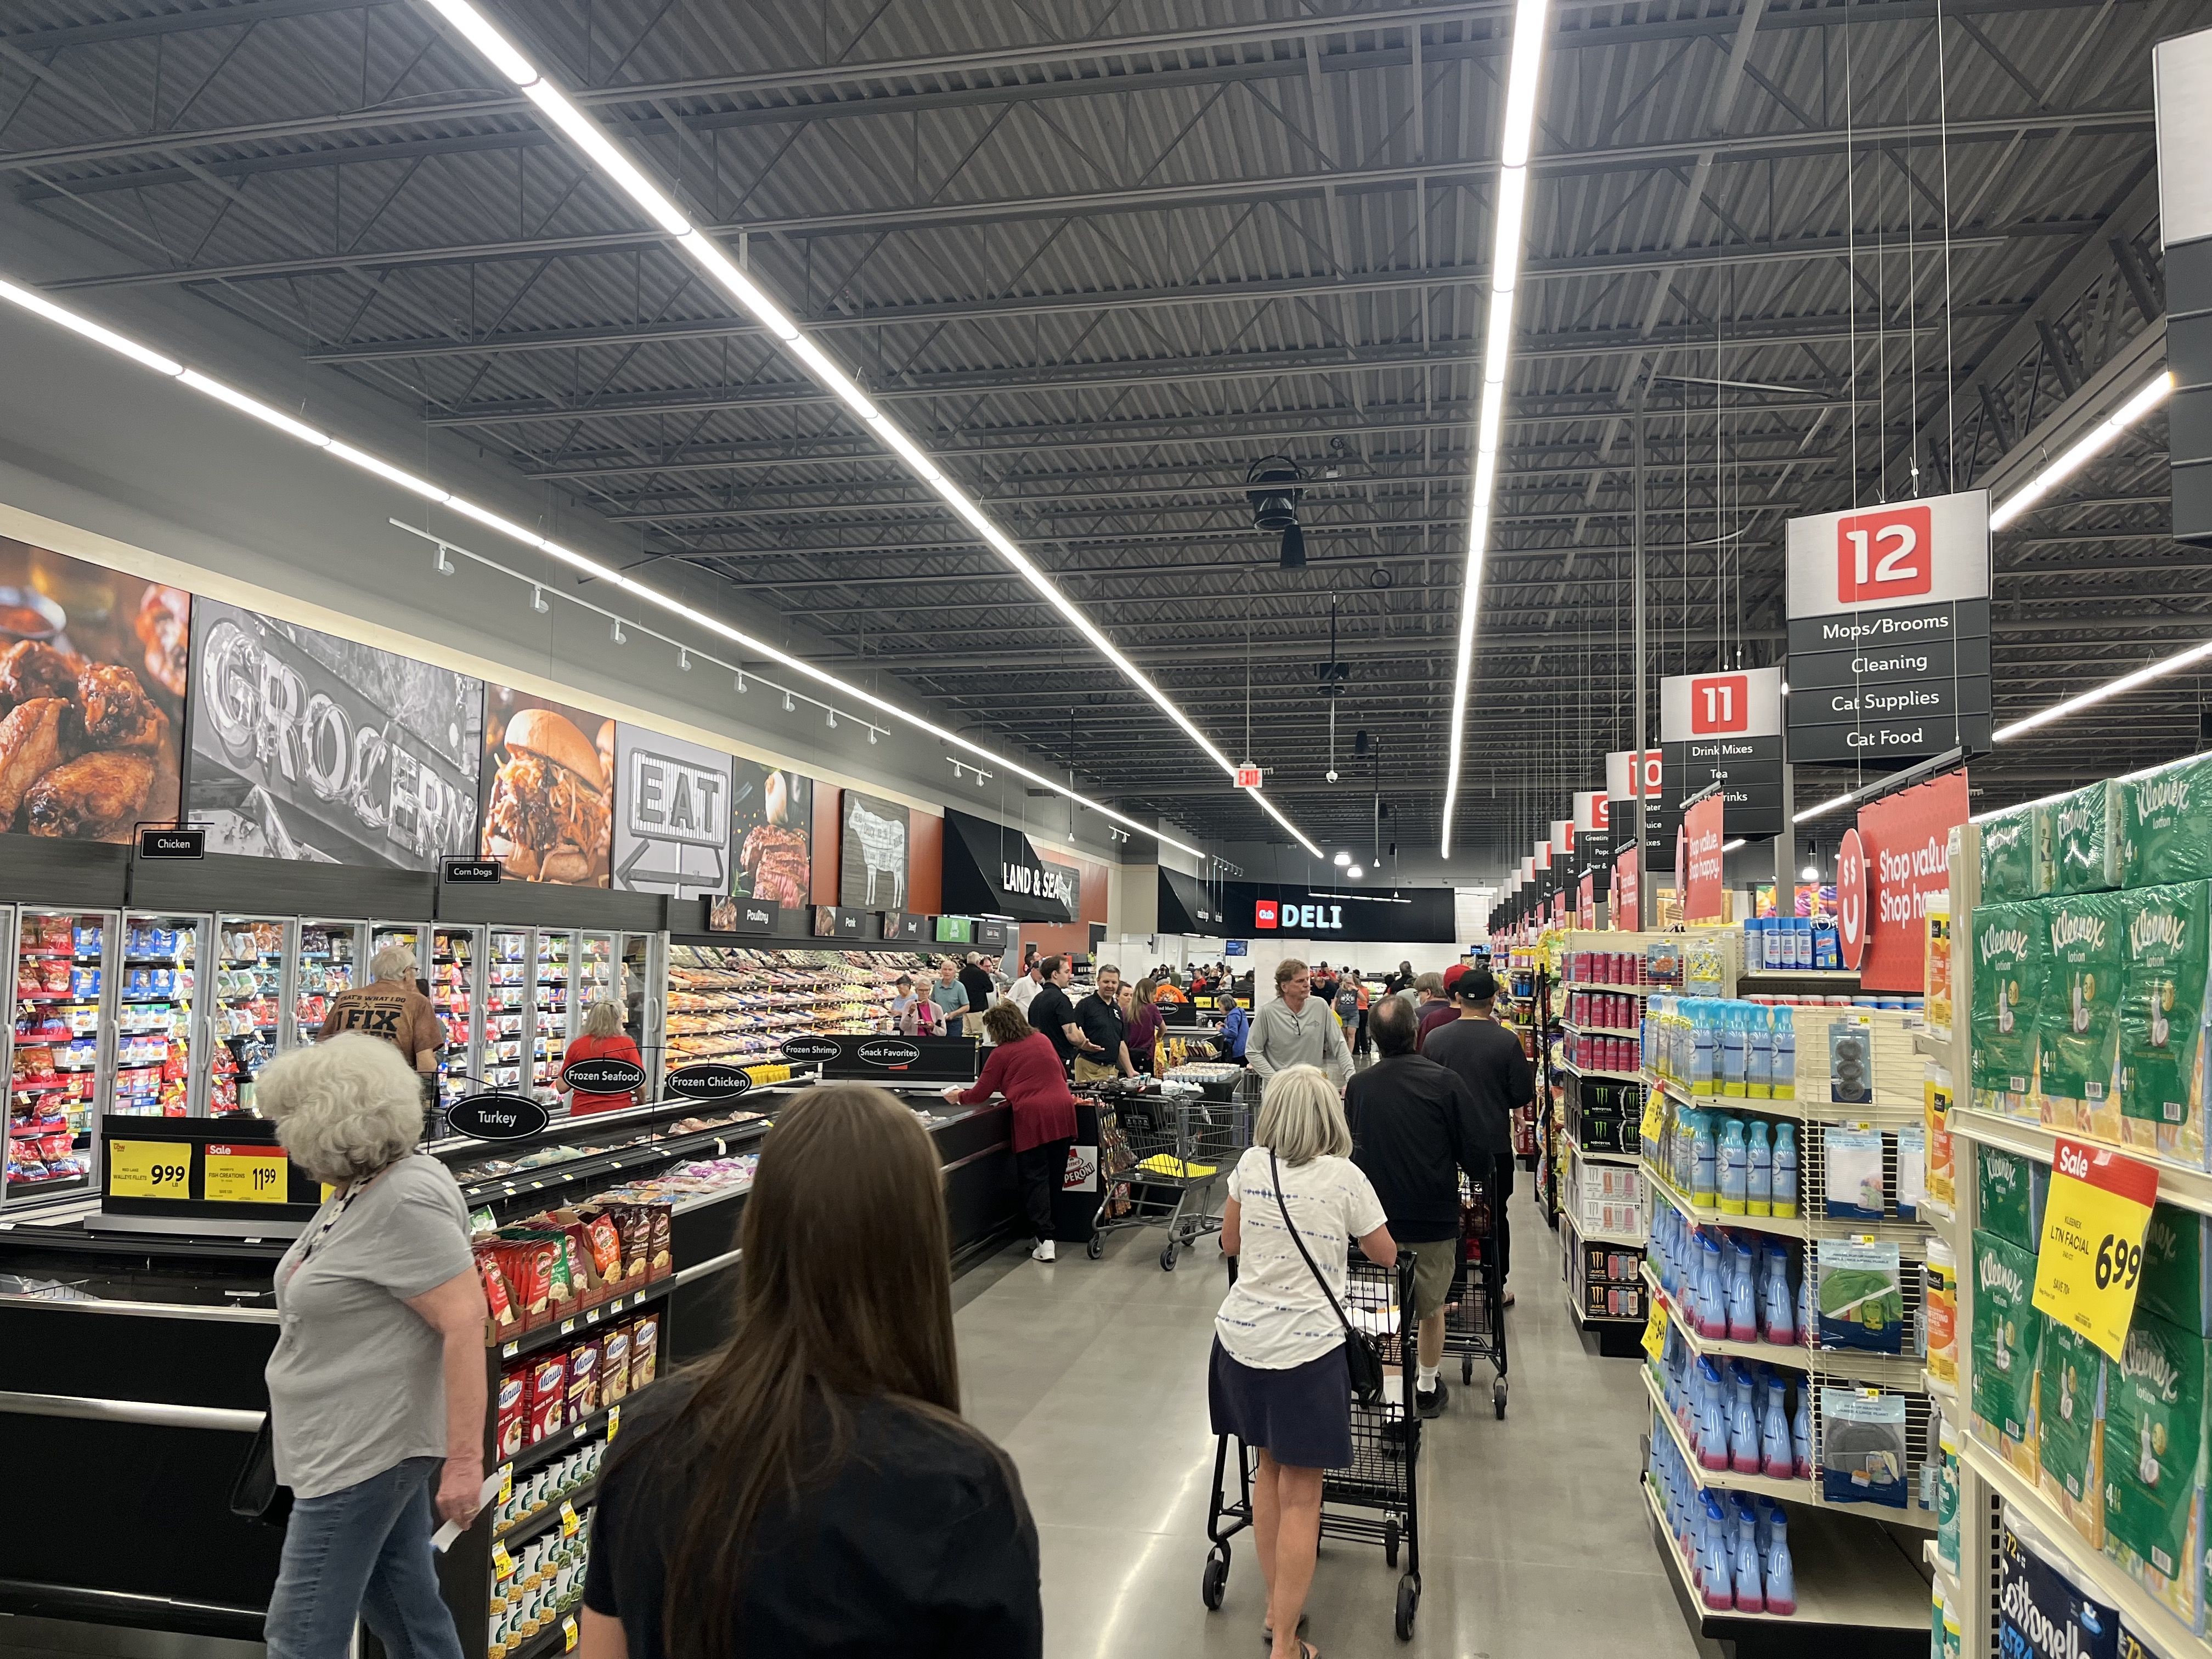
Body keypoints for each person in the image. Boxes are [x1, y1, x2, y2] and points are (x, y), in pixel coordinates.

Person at [579, 1086, 1043, 1659]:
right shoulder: (959, 1485)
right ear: (920, 1242)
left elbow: (603, 1646)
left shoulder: (651, 1431)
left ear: (759, 1229)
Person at [257, 1035, 487, 1659]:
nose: (283, 1142)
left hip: (362, 1450)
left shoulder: (403, 1197)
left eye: (288, 1124)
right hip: (344, 1439)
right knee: (405, 1607)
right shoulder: (361, 1189)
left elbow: (466, 1323)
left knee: (300, 1630)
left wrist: (465, 1462)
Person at [1211, 1066, 1396, 1659]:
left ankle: (1275, 1606)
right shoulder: (1345, 1178)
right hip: (1306, 1352)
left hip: (1241, 1342)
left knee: (1267, 1471)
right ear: (1329, 1117)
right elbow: (1385, 1254)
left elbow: (1229, 1244)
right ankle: (1286, 1644)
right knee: (1303, 1497)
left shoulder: (1250, 1165)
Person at [1344, 997, 1496, 1417]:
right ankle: (1426, 1387)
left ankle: (1393, 1399)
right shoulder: (1446, 1083)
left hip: (1374, 1219)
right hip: (1433, 1216)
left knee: (1385, 1312)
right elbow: (1477, 1157)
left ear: (1372, 1038)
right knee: (1430, 1308)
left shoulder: (1359, 1086)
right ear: (1416, 1032)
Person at [1421, 966, 1531, 1303]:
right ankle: (1493, 1288)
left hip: (1445, 1149)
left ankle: (1451, 1292)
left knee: (1449, 1217)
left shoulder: (1435, 1040)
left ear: (1457, 998)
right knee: (1494, 1216)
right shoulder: (1506, 1041)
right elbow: (1521, 1095)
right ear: (1495, 998)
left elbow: (1424, 1089)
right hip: (1492, 1148)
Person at [947, 1003, 1079, 1262]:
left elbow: (980, 1093)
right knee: (1054, 1177)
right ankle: (1047, 1235)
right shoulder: (1041, 1039)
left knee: (1035, 1179)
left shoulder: (1001, 1053)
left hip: (1032, 1118)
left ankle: (1046, 1239)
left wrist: (957, 1097)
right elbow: (1061, 1074)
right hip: (1063, 1112)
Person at [318, 942, 442, 1084]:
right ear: (407, 973)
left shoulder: (345, 998)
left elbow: (321, 1048)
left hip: (343, 1086)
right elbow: (426, 1068)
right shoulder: (417, 1002)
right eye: (415, 971)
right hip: (390, 1089)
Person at [1247, 959, 1352, 1090]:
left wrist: (1351, 1079)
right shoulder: (1267, 1012)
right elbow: (1252, 1051)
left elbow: (1339, 1044)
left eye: (1307, 979)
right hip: (1279, 1093)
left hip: (1312, 1088)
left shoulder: (1320, 1006)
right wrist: (1276, 1079)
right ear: (1284, 987)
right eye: (1300, 981)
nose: (1307, 985)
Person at [563, 1000, 645, 1117]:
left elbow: (562, 1087)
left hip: (582, 1113)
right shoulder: (627, 1044)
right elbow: (640, 1084)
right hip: (619, 1113)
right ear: (617, 1019)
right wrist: (640, 1102)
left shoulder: (577, 1045)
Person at [1071, 964, 1133, 1084]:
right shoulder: (1085, 1005)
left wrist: (1130, 1070)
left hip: (1111, 1071)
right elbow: (1073, 1035)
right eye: (1106, 982)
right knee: (1089, 1103)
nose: (1110, 986)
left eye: (1114, 982)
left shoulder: (1116, 1009)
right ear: (1098, 981)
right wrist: (1082, 1044)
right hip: (1089, 1068)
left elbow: (1120, 1042)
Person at [1026, 955, 1082, 1073]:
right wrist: (1083, 1038)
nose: (1070, 976)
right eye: (1066, 972)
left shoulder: (1036, 999)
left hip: (1037, 1060)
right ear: (1055, 974)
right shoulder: (1061, 1000)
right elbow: (1074, 1037)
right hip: (1058, 1062)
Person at [1127, 977, 1166, 1076]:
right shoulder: (1152, 1009)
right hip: (1147, 1055)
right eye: (1154, 993)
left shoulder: (1126, 1010)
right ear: (1149, 993)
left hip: (1129, 1055)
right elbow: (1163, 1028)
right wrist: (1158, 1038)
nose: (1155, 996)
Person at [1412, 972, 1457, 1051]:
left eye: (1418, 994)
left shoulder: (1415, 1014)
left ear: (1428, 993)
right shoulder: (1458, 1012)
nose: (1418, 997)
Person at [959, 953, 998, 1036]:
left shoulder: (962, 973)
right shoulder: (981, 973)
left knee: (967, 1033)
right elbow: (990, 988)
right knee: (978, 1033)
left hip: (965, 1007)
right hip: (978, 1007)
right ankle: (977, 1049)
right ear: (978, 962)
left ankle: (967, 1049)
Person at [931, 957, 973, 1031]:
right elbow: (932, 1002)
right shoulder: (937, 986)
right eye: (945, 969)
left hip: (954, 1024)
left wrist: (953, 1014)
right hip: (938, 1023)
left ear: (955, 972)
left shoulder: (960, 987)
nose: (947, 972)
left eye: (950, 970)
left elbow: (966, 1007)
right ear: (941, 971)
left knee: (953, 1043)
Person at [1220, 990, 1253, 1064]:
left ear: (1226, 1005)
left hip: (1237, 1050)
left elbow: (1233, 1033)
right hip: (1244, 1048)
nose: (1219, 1009)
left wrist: (1221, 1029)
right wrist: (1225, 1026)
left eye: (1220, 1006)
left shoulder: (1232, 1016)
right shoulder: (1239, 1012)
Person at [1007, 953, 1046, 1017]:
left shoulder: (1040, 989)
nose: (1041, 976)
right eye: (1040, 972)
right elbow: (1009, 1001)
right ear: (1033, 970)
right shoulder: (1022, 982)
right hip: (1019, 1022)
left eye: (1043, 973)